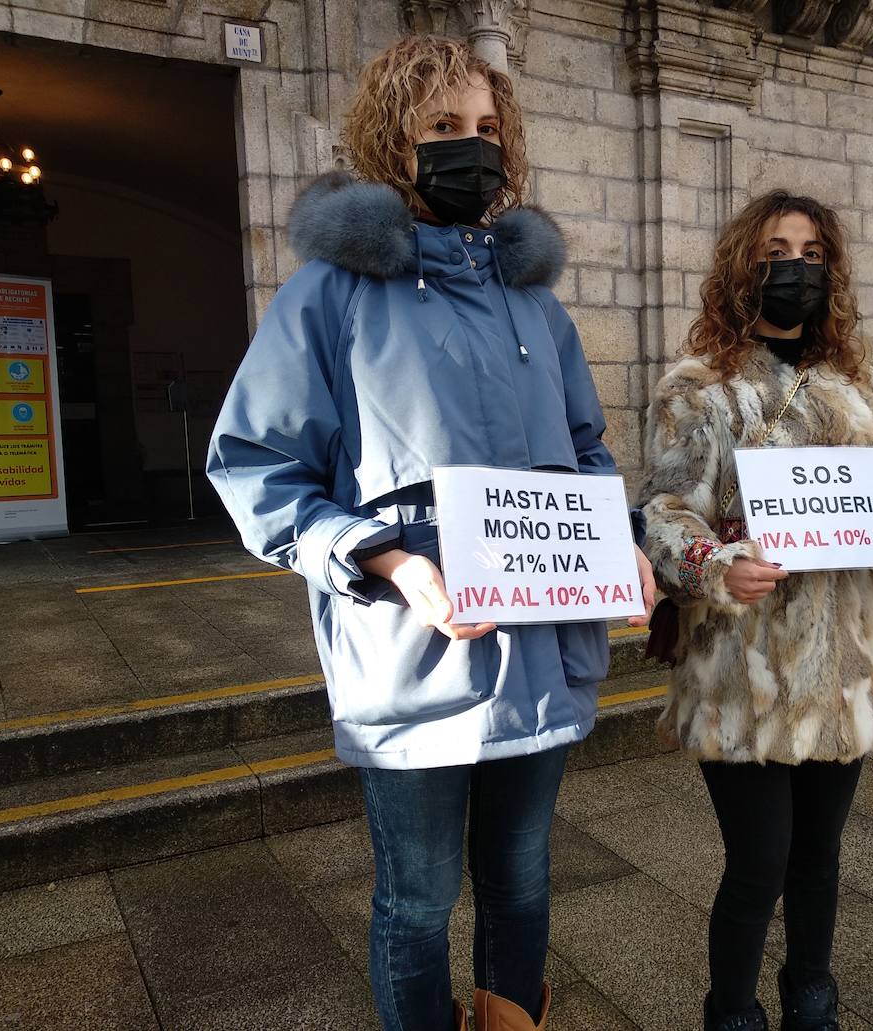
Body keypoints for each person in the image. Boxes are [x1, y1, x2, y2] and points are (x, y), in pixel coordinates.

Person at [206, 36, 653, 1031]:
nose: (471, 147)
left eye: (487, 128)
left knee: (523, 879)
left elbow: (584, 448)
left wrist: (614, 539)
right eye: (443, 127)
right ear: (392, 141)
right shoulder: (330, 293)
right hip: (410, 652)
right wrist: (392, 560)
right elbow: (254, 464)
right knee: (415, 897)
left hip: (538, 645)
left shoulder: (534, 298)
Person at [639, 191, 873, 1031]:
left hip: (843, 663)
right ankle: (731, 1010)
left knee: (819, 856)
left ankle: (811, 993)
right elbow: (667, 510)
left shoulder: (856, 385)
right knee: (759, 861)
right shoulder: (698, 387)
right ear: (743, 265)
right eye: (777, 249)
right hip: (741, 666)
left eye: (814, 253)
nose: (797, 266)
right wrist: (716, 564)